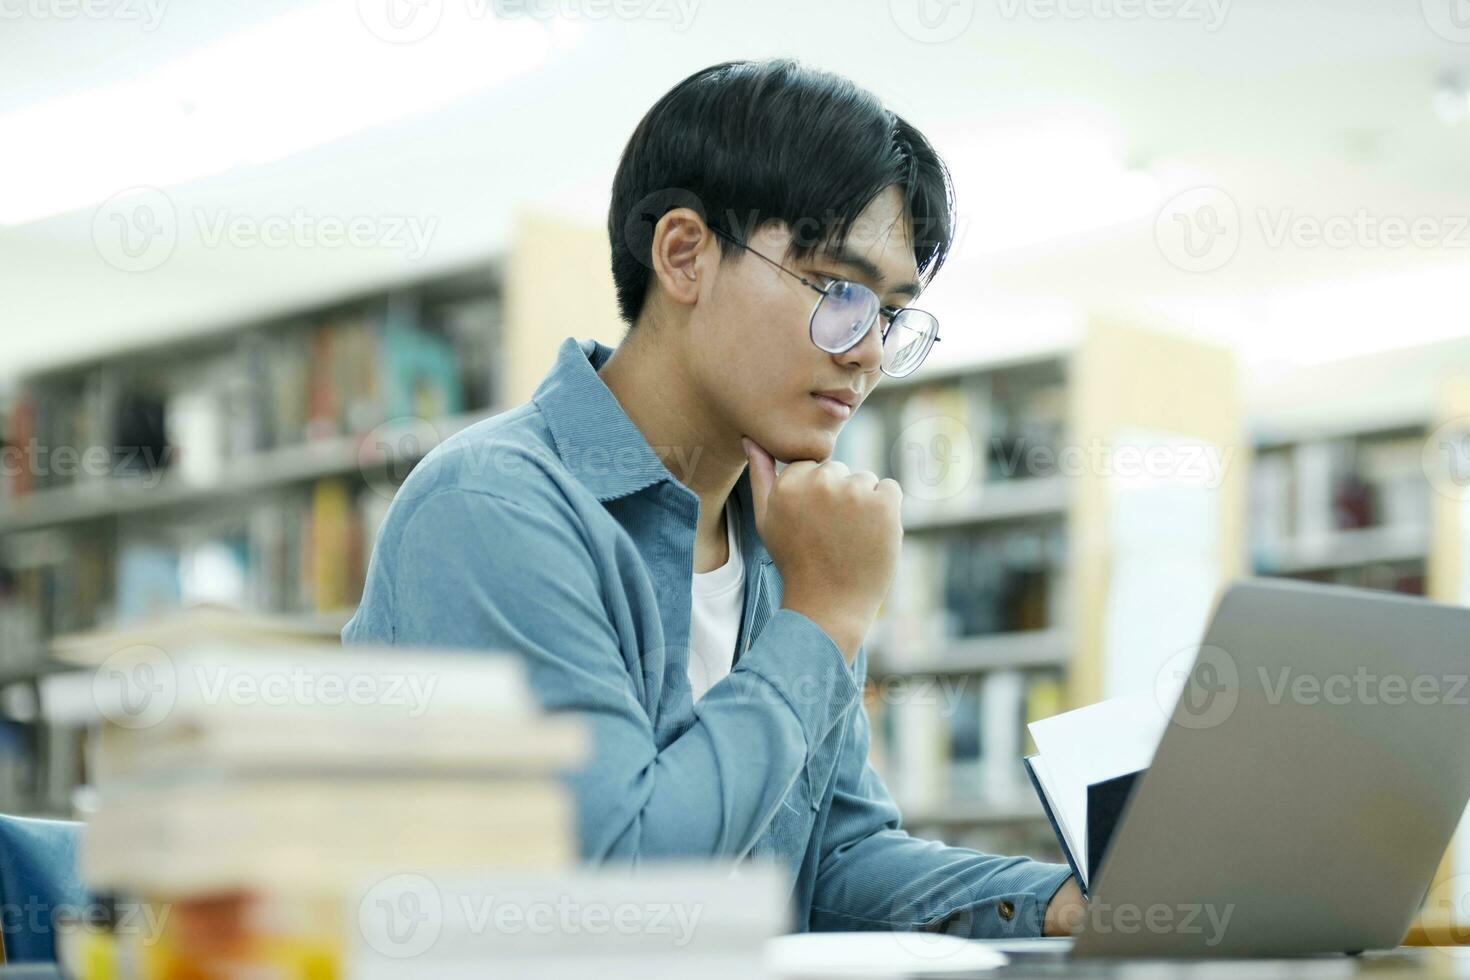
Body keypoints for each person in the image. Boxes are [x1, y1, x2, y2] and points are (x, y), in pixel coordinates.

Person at [344, 57, 1085, 938]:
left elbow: (834, 865)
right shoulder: (492, 507)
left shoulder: (791, 542)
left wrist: (1061, 907)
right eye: (839, 291)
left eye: (890, 314)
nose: (869, 354)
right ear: (685, 254)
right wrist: (819, 623)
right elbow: (614, 889)